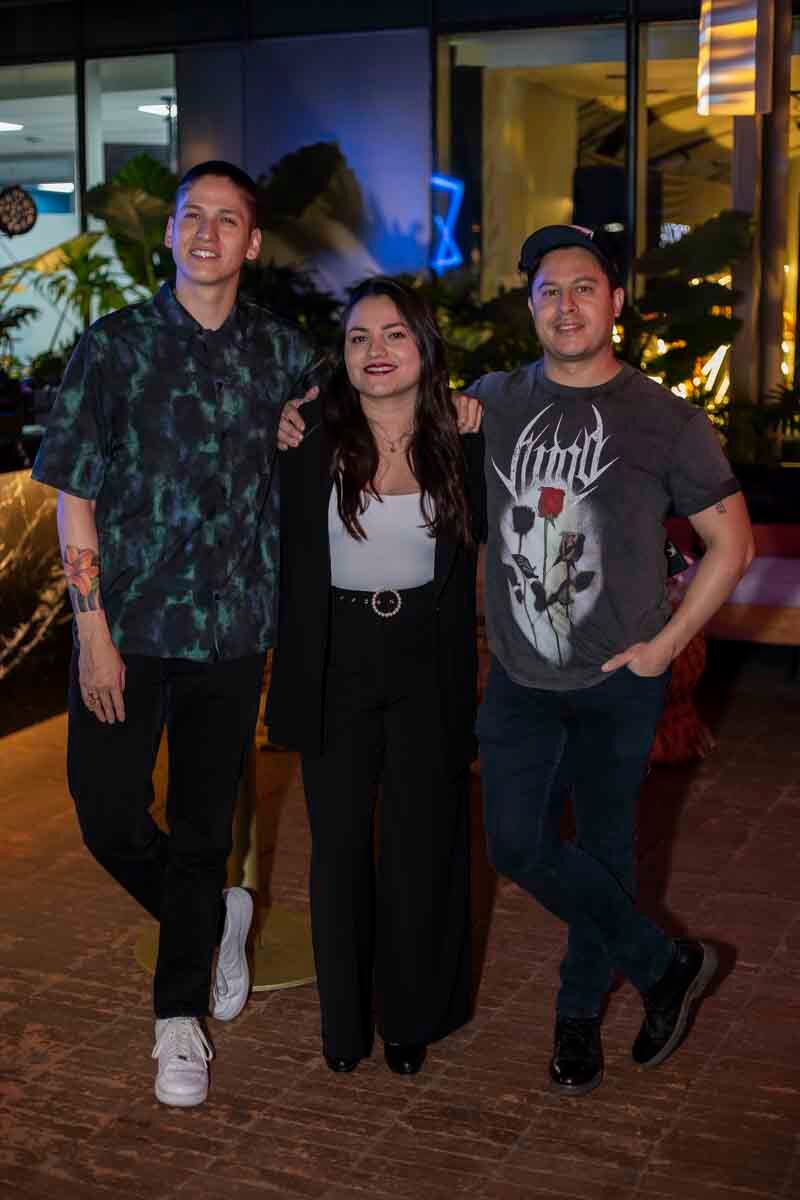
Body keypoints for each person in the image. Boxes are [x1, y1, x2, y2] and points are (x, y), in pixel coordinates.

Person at [278, 227, 754, 1096]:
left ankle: (578, 1021)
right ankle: (664, 964)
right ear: (530, 307)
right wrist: (307, 398)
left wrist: (665, 646)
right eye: (548, 291)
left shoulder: (667, 418)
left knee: (605, 852)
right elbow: (390, 387)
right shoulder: (491, 403)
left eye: (584, 288)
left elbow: (733, 542)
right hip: (520, 683)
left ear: (615, 302)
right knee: (517, 844)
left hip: (619, 680)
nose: (566, 306)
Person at [31, 160, 319, 1108]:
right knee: (107, 814)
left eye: (228, 220)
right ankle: (214, 919)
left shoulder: (282, 353)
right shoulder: (112, 347)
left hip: (233, 631)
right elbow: (74, 496)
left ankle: (178, 1023)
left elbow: (358, 418)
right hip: (127, 628)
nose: (207, 232)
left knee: (202, 833)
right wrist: (92, 633)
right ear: (169, 232)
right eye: (193, 215)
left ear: (252, 243)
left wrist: (304, 424)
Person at [266, 276, 485, 1076]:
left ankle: (409, 1018)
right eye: (359, 337)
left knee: (421, 843)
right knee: (339, 848)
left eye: (394, 334)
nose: (376, 351)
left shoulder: (464, 436)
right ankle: (345, 1026)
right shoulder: (307, 438)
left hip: (428, 657)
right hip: (336, 656)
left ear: (424, 346)